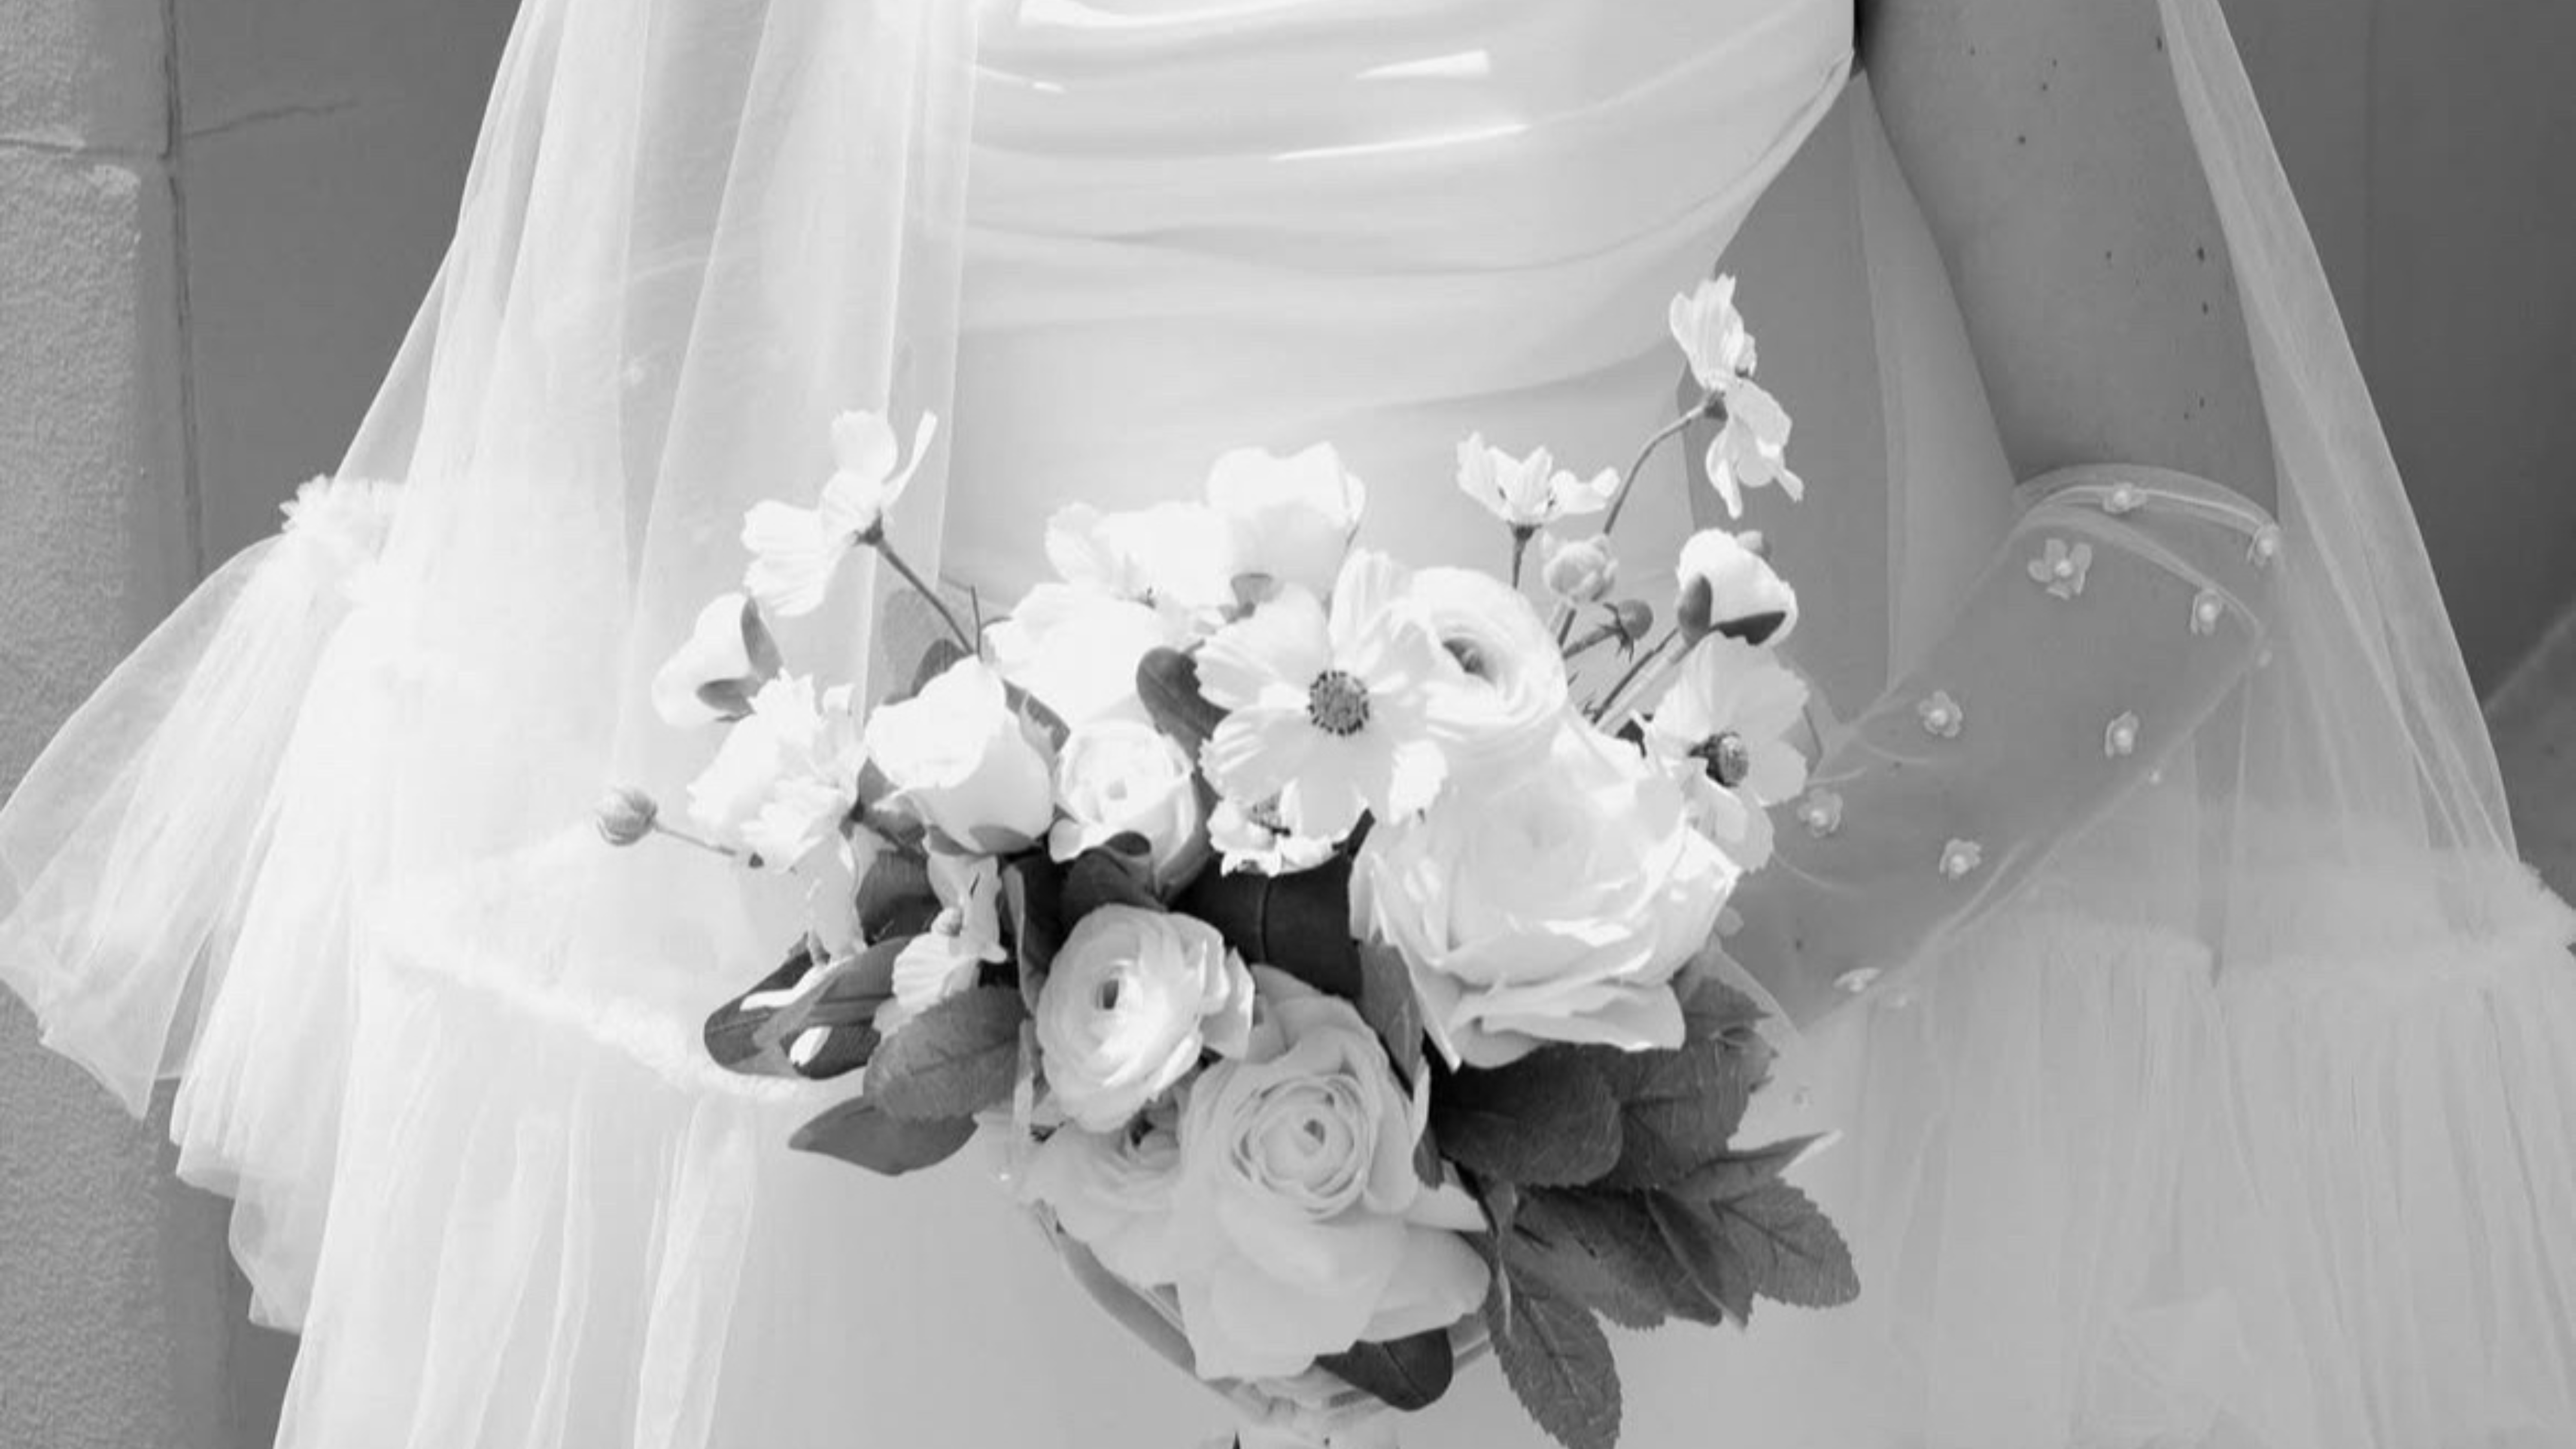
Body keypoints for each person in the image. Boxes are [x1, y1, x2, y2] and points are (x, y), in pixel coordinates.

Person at [3, 1, 2569, 1445]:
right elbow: (645, 424)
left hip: (1624, 1089)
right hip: (905, 1139)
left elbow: (2172, 493)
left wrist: (1682, 992)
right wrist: (993, 996)